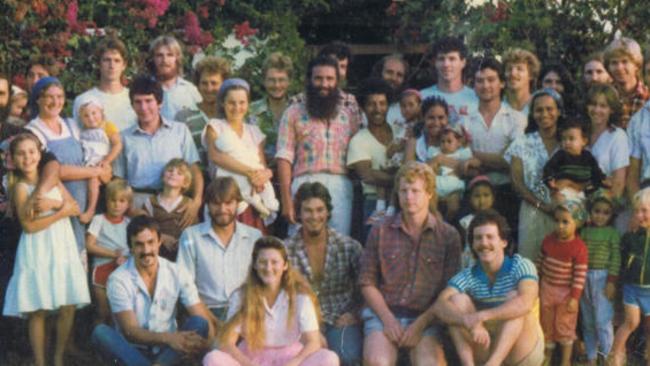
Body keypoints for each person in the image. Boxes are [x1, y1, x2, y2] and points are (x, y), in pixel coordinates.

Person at [359, 161, 461, 365]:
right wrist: (388, 320)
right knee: (378, 362)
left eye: (415, 190)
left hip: (426, 318)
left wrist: (421, 324)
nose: (408, 197)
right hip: (384, 314)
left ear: (429, 193)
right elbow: (366, 282)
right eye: (403, 191)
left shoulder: (448, 236)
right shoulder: (380, 230)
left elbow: (450, 290)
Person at [3, 133, 89, 366]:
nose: (27, 157)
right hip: (38, 247)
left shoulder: (51, 179)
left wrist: (53, 205)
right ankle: (40, 362)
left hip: (62, 243)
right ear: (14, 159)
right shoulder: (20, 187)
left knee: (67, 303)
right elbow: (29, 226)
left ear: (40, 154)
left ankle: (58, 357)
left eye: (32, 152)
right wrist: (60, 212)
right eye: (21, 154)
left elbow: (74, 207)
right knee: (38, 307)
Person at [91, 215, 214, 366]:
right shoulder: (118, 279)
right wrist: (169, 338)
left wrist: (211, 350)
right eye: (139, 244)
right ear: (130, 246)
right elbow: (131, 332)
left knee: (199, 323)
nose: (146, 250)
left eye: (151, 242)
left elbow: (199, 314)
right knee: (101, 332)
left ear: (159, 242)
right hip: (132, 350)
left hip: (169, 350)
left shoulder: (176, 271)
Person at [202, 236, 340, 366]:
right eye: (263, 262)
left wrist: (294, 363)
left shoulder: (301, 297)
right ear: (255, 265)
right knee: (213, 358)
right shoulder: (241, 296)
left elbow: (313, 342)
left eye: (274, 262)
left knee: (329, 358)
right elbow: (227, 342)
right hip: (250, 357)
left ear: (285, 265)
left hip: (291, 357)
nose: (268, 268)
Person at [434, 210, 544, 366]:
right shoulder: (469, 275)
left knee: (515, 298)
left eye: (490, 237)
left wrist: (482, 316)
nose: (484, 243)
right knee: (456, 301)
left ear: (503, 242)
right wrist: (466, 320)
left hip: (522, 352)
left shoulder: (521, 265)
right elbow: (439, 306)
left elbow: (525, 302)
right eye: (478, 238)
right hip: (487, 346)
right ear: (472, 244)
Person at [276, 55, 362, 236]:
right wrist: (286, 200)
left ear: (337, 81)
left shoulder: (350, 114)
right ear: (309, 80)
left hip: (340, 186)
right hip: (304, 183)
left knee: (338, 244)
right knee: (300, 246)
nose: (324, 84)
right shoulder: (293, 112)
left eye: (330, 79)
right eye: (319, 78)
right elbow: (284, 157)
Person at [26, 77, 111, 256]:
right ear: (38, 99)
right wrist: (95, 171)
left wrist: (104, 168)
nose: (55, 102)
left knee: (81, 251)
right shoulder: (33, 131)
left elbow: (92, 153)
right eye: (49, 96)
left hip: (83, 200)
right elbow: (55, 171)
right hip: (58, 202)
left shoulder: (72, 124)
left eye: (60, 96)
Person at [285, 182, 363, 365]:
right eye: (308, 211)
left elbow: (367, 286)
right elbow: (280, 295)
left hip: (340, 316)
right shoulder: (285, 250)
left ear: (328, 212)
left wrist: (356, 313)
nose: (314, 216)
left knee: (347, 356)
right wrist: (309, 330)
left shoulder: (348, 246)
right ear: (299, 213)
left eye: (320, 210)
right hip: (301, 321)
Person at [114, 75, 203, 223]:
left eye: (149, 101)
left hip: (177, 203)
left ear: (159, 103)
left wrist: (196, 201)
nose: (143, 108)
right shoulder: (123, 138)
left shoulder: (179, 131)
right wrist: (130, 210)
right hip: (139, 204)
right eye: (138, 102)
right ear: (132, 105)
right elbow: (118, 180)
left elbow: (193, 168)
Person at [178, 177, 263, 321]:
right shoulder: (191, 236)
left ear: (238, 203)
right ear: (207, 205)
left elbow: (262, 282)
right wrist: (210, 321)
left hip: (245, 311)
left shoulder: (254, 237)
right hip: (206, 311)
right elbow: (185, 286)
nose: (222, 209)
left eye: (228, 203)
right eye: (216, 204)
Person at [460, 57, 526, 234]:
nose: (485, 85)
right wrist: (495, 160)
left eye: (491, 80)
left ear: (502, 83)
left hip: (506, 193)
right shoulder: (464, 120)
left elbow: (512, 162)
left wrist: (475, 157)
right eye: (479, 81)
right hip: (473, 193)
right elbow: (459, 159)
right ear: (473, 85)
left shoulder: (516, 119)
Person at [203, 78, 277, 229]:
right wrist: (250, 172)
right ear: (223, 103)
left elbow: (261, 165)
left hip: (252, 200)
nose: (237, 107)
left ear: (248, 104)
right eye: (231, 102)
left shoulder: (254, 131)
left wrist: (265, 174)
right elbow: (217, 157)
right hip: (224, 200)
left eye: (242, 102)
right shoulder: (215, 127)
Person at [505, 88, 564, 259]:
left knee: (559, 266)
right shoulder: (522, 142)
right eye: (539, 110)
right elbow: (517, 183)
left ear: (559, 111)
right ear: (532, 113)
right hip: (532, 211)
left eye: (549, 109)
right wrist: (541, 205)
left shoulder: (568, 141)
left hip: (562, 212)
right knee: (529, 263)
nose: (544, 114)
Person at [537, 197, 588, 366]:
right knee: (547, 323)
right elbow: (540, 262)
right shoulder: (548, 240)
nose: (560, 226)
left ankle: (565, 361)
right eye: (557, 221)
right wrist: (536, 281)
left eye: (565, 222)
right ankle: (548, 355)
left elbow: (579, 276)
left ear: (578, 222)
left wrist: (574, 298)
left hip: (566, 293)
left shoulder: (579, 247)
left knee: (565, 326)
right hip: (547, 288)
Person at [347, 78, 395, 239]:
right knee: (375, 246)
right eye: (371, 104)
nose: (377, 109)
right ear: (363, 108)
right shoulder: (359, 140)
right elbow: (367, 175)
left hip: (403, 200)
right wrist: (401, 178)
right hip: (375, 203)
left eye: (382, 103)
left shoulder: (399, 132)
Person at [609, 187, 650, 366]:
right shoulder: (630, 237)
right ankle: (616, 354)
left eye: (644, 211)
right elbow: (620, 259)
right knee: (631, 322)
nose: (639, 215)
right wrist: (614, 282)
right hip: (632, 288)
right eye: (636, 211)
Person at [579, 190, 620, 365]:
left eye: (606, 212)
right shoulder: (584, 232)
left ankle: (606, 356)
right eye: (597, 211)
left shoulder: (612, 233)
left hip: (603, 278)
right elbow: (579, 256)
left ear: (611, 215)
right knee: (587, 320)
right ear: (590, 211)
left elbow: (616, 258)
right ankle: (591, 356)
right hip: (584, 276)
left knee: (602, 320)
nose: (600, 216)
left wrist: (611, 282)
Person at [85, 178, 131, 325]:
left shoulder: (129, 223)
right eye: (113, 200)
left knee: (118, 312)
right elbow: (89, 245)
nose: (117, 204)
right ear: (106, 201)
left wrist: (124, 258)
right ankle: (96, 342)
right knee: (102, 311)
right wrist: (114, 255)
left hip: (123, 269)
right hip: (101, 269)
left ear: (128, 203)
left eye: (122, 201)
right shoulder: (99, 219)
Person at [175, 56, 231, 166]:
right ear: (197, 85)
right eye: (204, 83)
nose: (209, 89)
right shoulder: (183, 117)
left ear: (224, 85)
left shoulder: (231, 115)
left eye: (214, 83)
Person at [75, 95, 123, 223]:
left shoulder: (107, 126)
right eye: (86, 116)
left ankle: (90, 210)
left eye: (94, 113)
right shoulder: (81, 131)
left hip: (100, 164)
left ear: (101, 112)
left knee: (93, 178)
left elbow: (117, 144)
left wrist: (107, 160)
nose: (91, 118)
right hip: (85, 164)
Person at [72, 36, 136, 131]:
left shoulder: (135, 99)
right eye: (107, 60)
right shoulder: (83, 100)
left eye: (117, 61)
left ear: (124, 65)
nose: (112, 65)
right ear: (98, 64)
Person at [140, 158, 197, 261]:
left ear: (185, 183)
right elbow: (144, 230)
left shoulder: (189, 205)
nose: (173, 174)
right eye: (170, 171)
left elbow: (195, 235)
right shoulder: (151, 202)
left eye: (179, 173)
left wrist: (182, 243)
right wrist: (162, 237)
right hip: (156, 255)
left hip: (182, 255)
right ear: (162, 177)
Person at [420, 36, 478, 124]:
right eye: (441, 59)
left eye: (452, 59)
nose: (446, 64)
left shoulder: (476, 98)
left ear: (463, 62)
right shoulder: (421, 98)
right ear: (435, 63)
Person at [542, 120, 607, 197]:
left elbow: (596, 171)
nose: (567, 142)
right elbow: (549, 168)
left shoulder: (588, 156)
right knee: (559, 197)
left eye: (571, 139)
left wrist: (602, 179)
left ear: (584, 141)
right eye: (564, 139)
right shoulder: (560, 155)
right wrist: (549, 179)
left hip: (584, 191)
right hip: (565, 190)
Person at [585, 84, 628, 198]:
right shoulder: (580, 133)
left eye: (603, 106)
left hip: (604, 205)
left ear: (611, 109)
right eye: (593, 104)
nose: (596, 110)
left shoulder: (617, 136)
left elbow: (618, 185)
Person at [428, 125, 479, 219]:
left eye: (449, 141)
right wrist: (433, 168)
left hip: (454, 189)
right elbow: (428, 166)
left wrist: (468, 162)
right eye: (442, 141)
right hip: (436, 188)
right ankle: (438, 222)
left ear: (458, 143)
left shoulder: (461, 153)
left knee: (453, 206)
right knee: (431, 206)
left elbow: (476, 163)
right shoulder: (436, 152)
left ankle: (448, 221)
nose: (445, 144)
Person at [249, 52, 293, 162]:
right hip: (260, 172)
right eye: (271, 80)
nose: (277, 85)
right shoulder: (250, 111)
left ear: (289, 82)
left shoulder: (298, 110)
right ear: (264, 81)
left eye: (281, 80)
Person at [148, 35, 202, 121]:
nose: (164, 60)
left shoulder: (190, 90)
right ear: (153, 59)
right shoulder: (144, 89)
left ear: (177, 58)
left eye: (170, 55)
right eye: (159, 55)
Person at [603, 37, 649, 128]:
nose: (619, 68)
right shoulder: (604, 96)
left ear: (636, 65)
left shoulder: (647, 97)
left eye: (625, 62)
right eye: (614, 63)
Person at [457, 175, 497, 269]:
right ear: (470, 199)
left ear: (493, 197)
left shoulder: (497, 220)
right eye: (477, 196)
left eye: (486, 195)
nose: (482, 201)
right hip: (471, 260)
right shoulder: (465, 222)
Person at [371, 54, 410, 128]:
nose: (394, 78)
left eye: (399, 75)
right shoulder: (365, 105)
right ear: (379, 73)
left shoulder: (409, 108)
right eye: (389, 72)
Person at [502, 48, 541, 116]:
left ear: (531, 75)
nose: (513, 73)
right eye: (509, 69)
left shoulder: (539, 106)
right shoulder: (496, 107)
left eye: (519, 69)